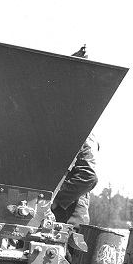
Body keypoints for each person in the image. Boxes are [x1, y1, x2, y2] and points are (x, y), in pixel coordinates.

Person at [52, 46, 99, 227]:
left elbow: (88, 176)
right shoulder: (61, 129)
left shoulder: (83, 130)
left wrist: (54, 201)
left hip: (68, 220)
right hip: (55, 216)